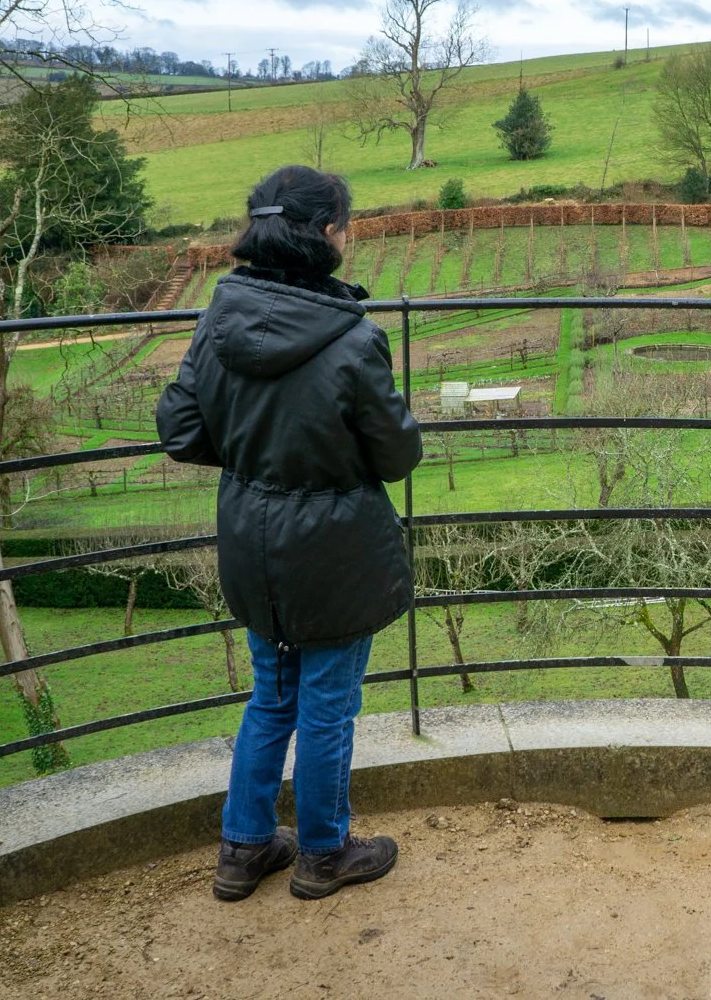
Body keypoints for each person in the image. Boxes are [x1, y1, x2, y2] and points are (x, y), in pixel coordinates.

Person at [156, 165, 423, 901]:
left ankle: (243, 849)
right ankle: (323, 853)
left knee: (271, 697)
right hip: (335, 552)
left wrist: (255, 456)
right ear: (329, 233)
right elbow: (397, 455)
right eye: (346, 225)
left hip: (253, 541)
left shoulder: (219, 318)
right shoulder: (354, 339)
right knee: (329, 706)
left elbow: (180, 429)